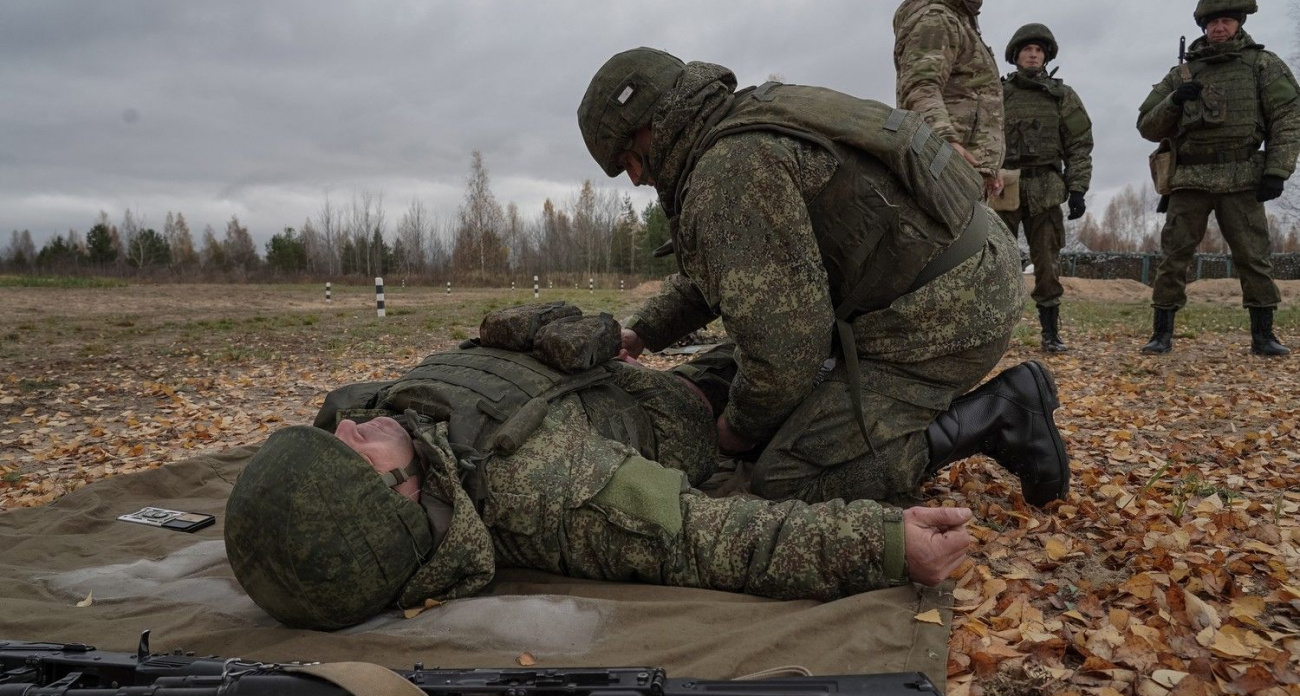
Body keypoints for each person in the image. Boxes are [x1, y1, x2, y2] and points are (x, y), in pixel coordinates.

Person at [224, 310, 975, 631]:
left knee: (790, 339)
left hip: (617, 370)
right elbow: (708, 533)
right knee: (800, 425)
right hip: (686, 410)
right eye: (355, 447)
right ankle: (989, 415)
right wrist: (881, 542)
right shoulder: (542, 489)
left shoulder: (390, 419)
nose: (353, 423)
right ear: (402, 498)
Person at [576, 48, 1070, 510]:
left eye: (628, 163)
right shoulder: (748, 117)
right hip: (961, 265)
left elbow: (785, 353)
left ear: (648, 129)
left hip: (945, 315)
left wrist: (737, 430)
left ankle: (1000, 414)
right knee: (759, 373)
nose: (638, 179)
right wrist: (643, 333)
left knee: (788, 478)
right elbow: (738, 266)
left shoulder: (728, 172)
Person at [1137, 0, 1298, 356]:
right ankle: (1161, 333)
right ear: (1203, 27)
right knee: (1173, 256)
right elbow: (1146, 125)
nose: (1219, 28)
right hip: (1190, 177)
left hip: (1241, 176)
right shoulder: (1182, 74)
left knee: (1254, 256)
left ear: (1239, 23)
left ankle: (1263, 335)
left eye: (1226, 20)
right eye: (1212, 22)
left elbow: (1288, 117)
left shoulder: (1262, 64)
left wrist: (1277, 169)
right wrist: (1174, 101)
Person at [995, 23, 1094, 353]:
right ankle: (994, 334)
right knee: (997, 262)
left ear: (1046, 56)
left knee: (1047, 264)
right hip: (1003, 186)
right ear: (1016, 56)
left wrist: (1078, 188)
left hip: (1047, 187)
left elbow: (1080, 143)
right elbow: (980, 138)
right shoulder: (997, 94)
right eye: (1027, 50)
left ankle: (1051, 335)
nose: (1033, 54)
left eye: (1038, 50)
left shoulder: (1062, 97)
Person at [894, 0, 1005, 198]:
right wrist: (944, 141)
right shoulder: (937, 18)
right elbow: (920, 87)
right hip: (945, 168)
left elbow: (979, 102)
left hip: (963, 170)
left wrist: (989, 167)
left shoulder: (961, 23)